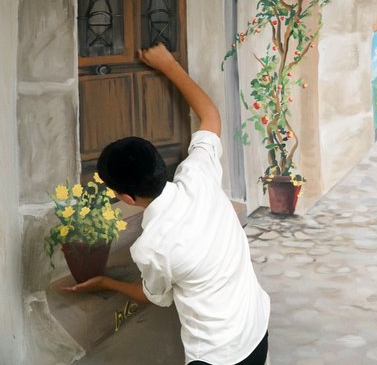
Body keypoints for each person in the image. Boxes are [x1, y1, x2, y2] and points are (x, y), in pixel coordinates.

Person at [65, 43, 270, 365]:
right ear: (159, 164)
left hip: (217, 356)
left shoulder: (153, 247)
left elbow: (150, 296)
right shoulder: (198, 175)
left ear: (127, 198)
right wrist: (168, 65)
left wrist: (106, 282)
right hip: (256, 328)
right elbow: (211, 116)